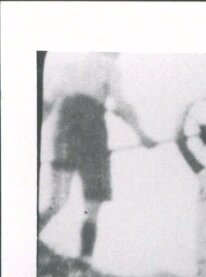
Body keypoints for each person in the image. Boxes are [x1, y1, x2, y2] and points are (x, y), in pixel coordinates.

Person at [39, 52, 155, 261]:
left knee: (56, 201)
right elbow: (121, 104)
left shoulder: (71, 62)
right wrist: (142, 135)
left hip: (64, 126)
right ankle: (85, 260)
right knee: (93, 201)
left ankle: (30, 239)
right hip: (90, 129)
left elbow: (47, 104)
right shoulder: (107, 64)